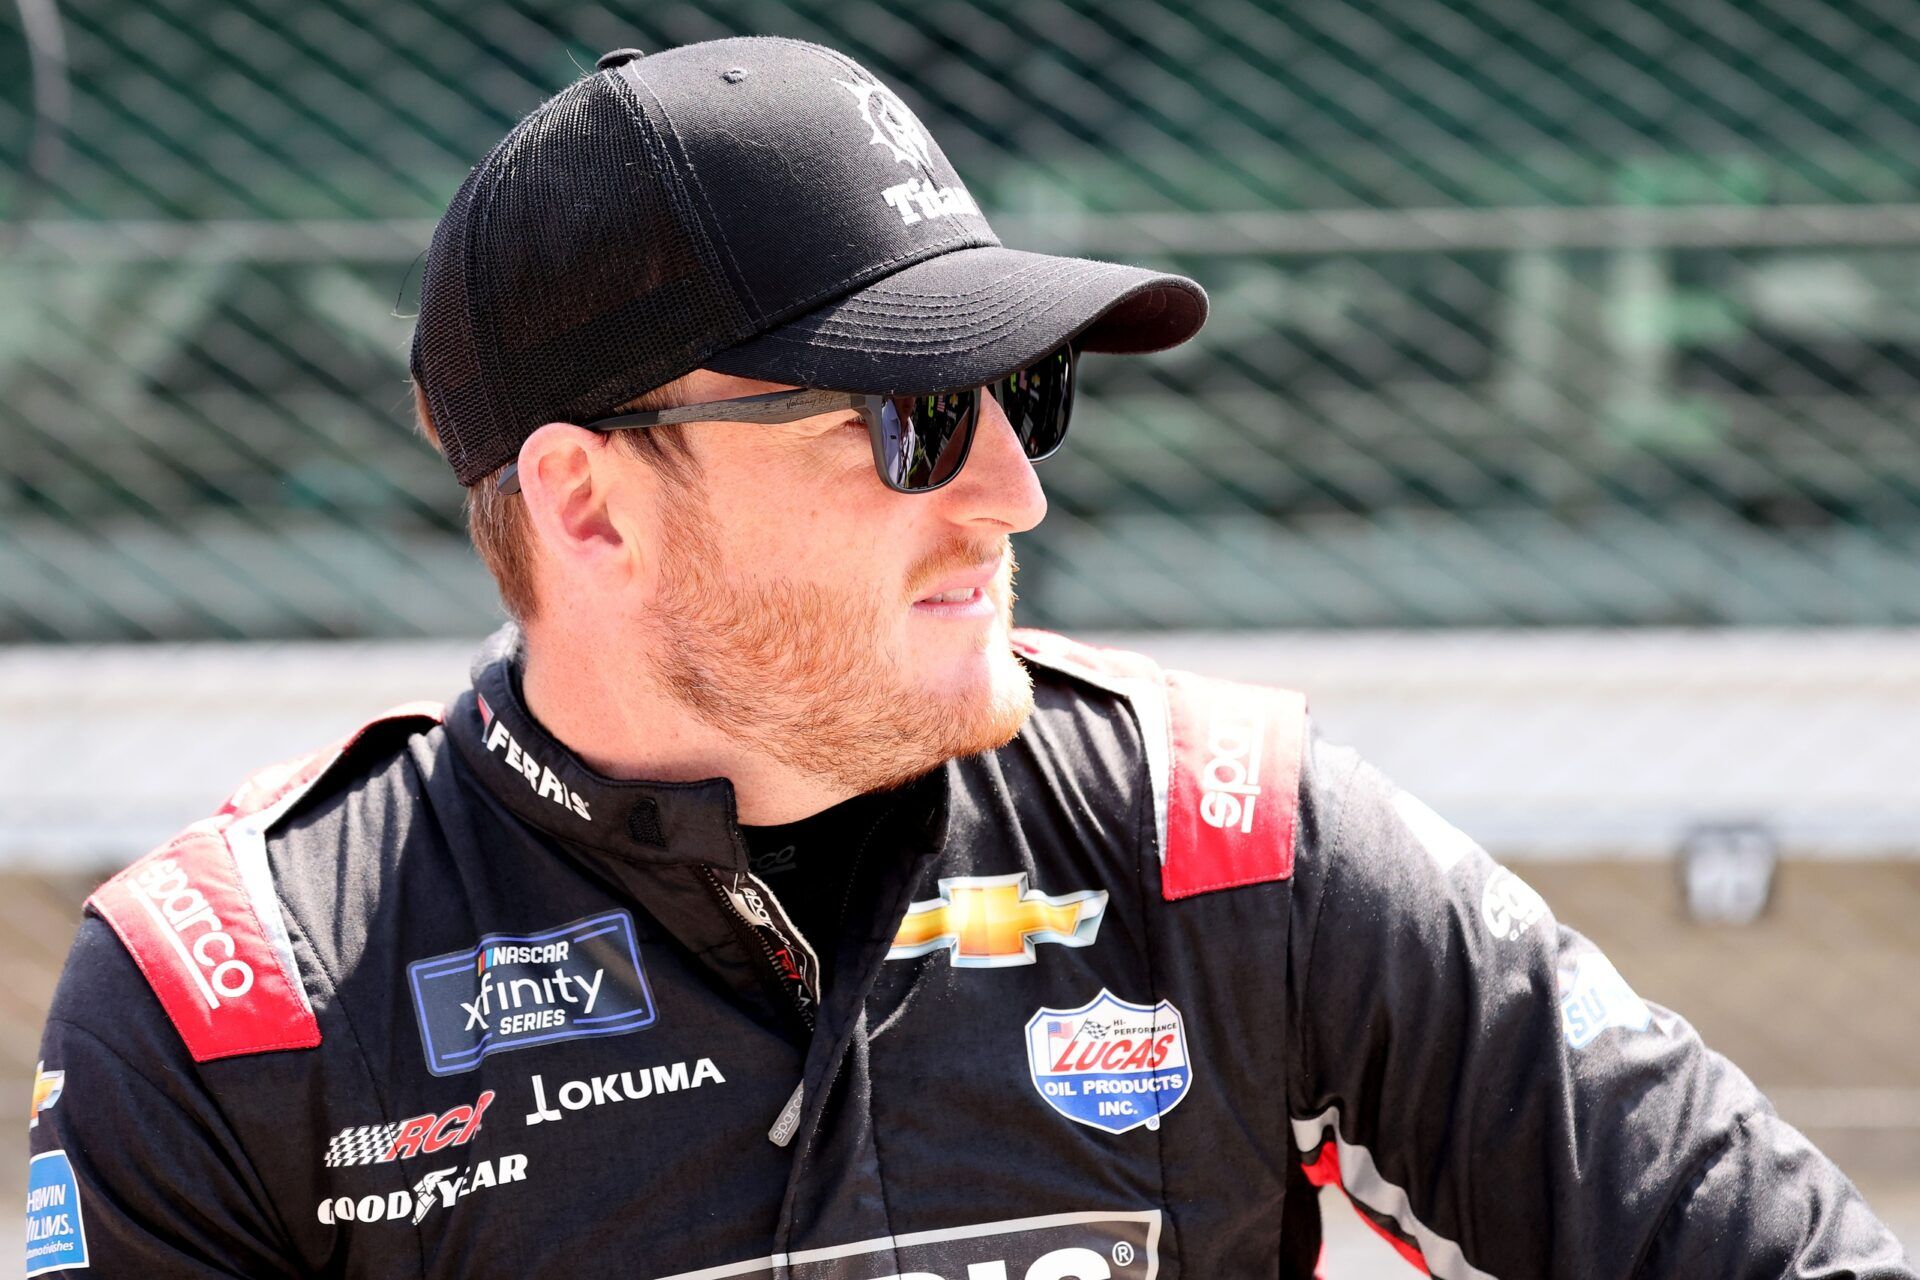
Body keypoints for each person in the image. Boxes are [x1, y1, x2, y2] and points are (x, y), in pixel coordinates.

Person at [26, 35, 1914, 1280]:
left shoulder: (1228, 845)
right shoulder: (235, 1003)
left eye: (1021, 393)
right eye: (910, 416)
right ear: (592, 505)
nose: (1009, 489)